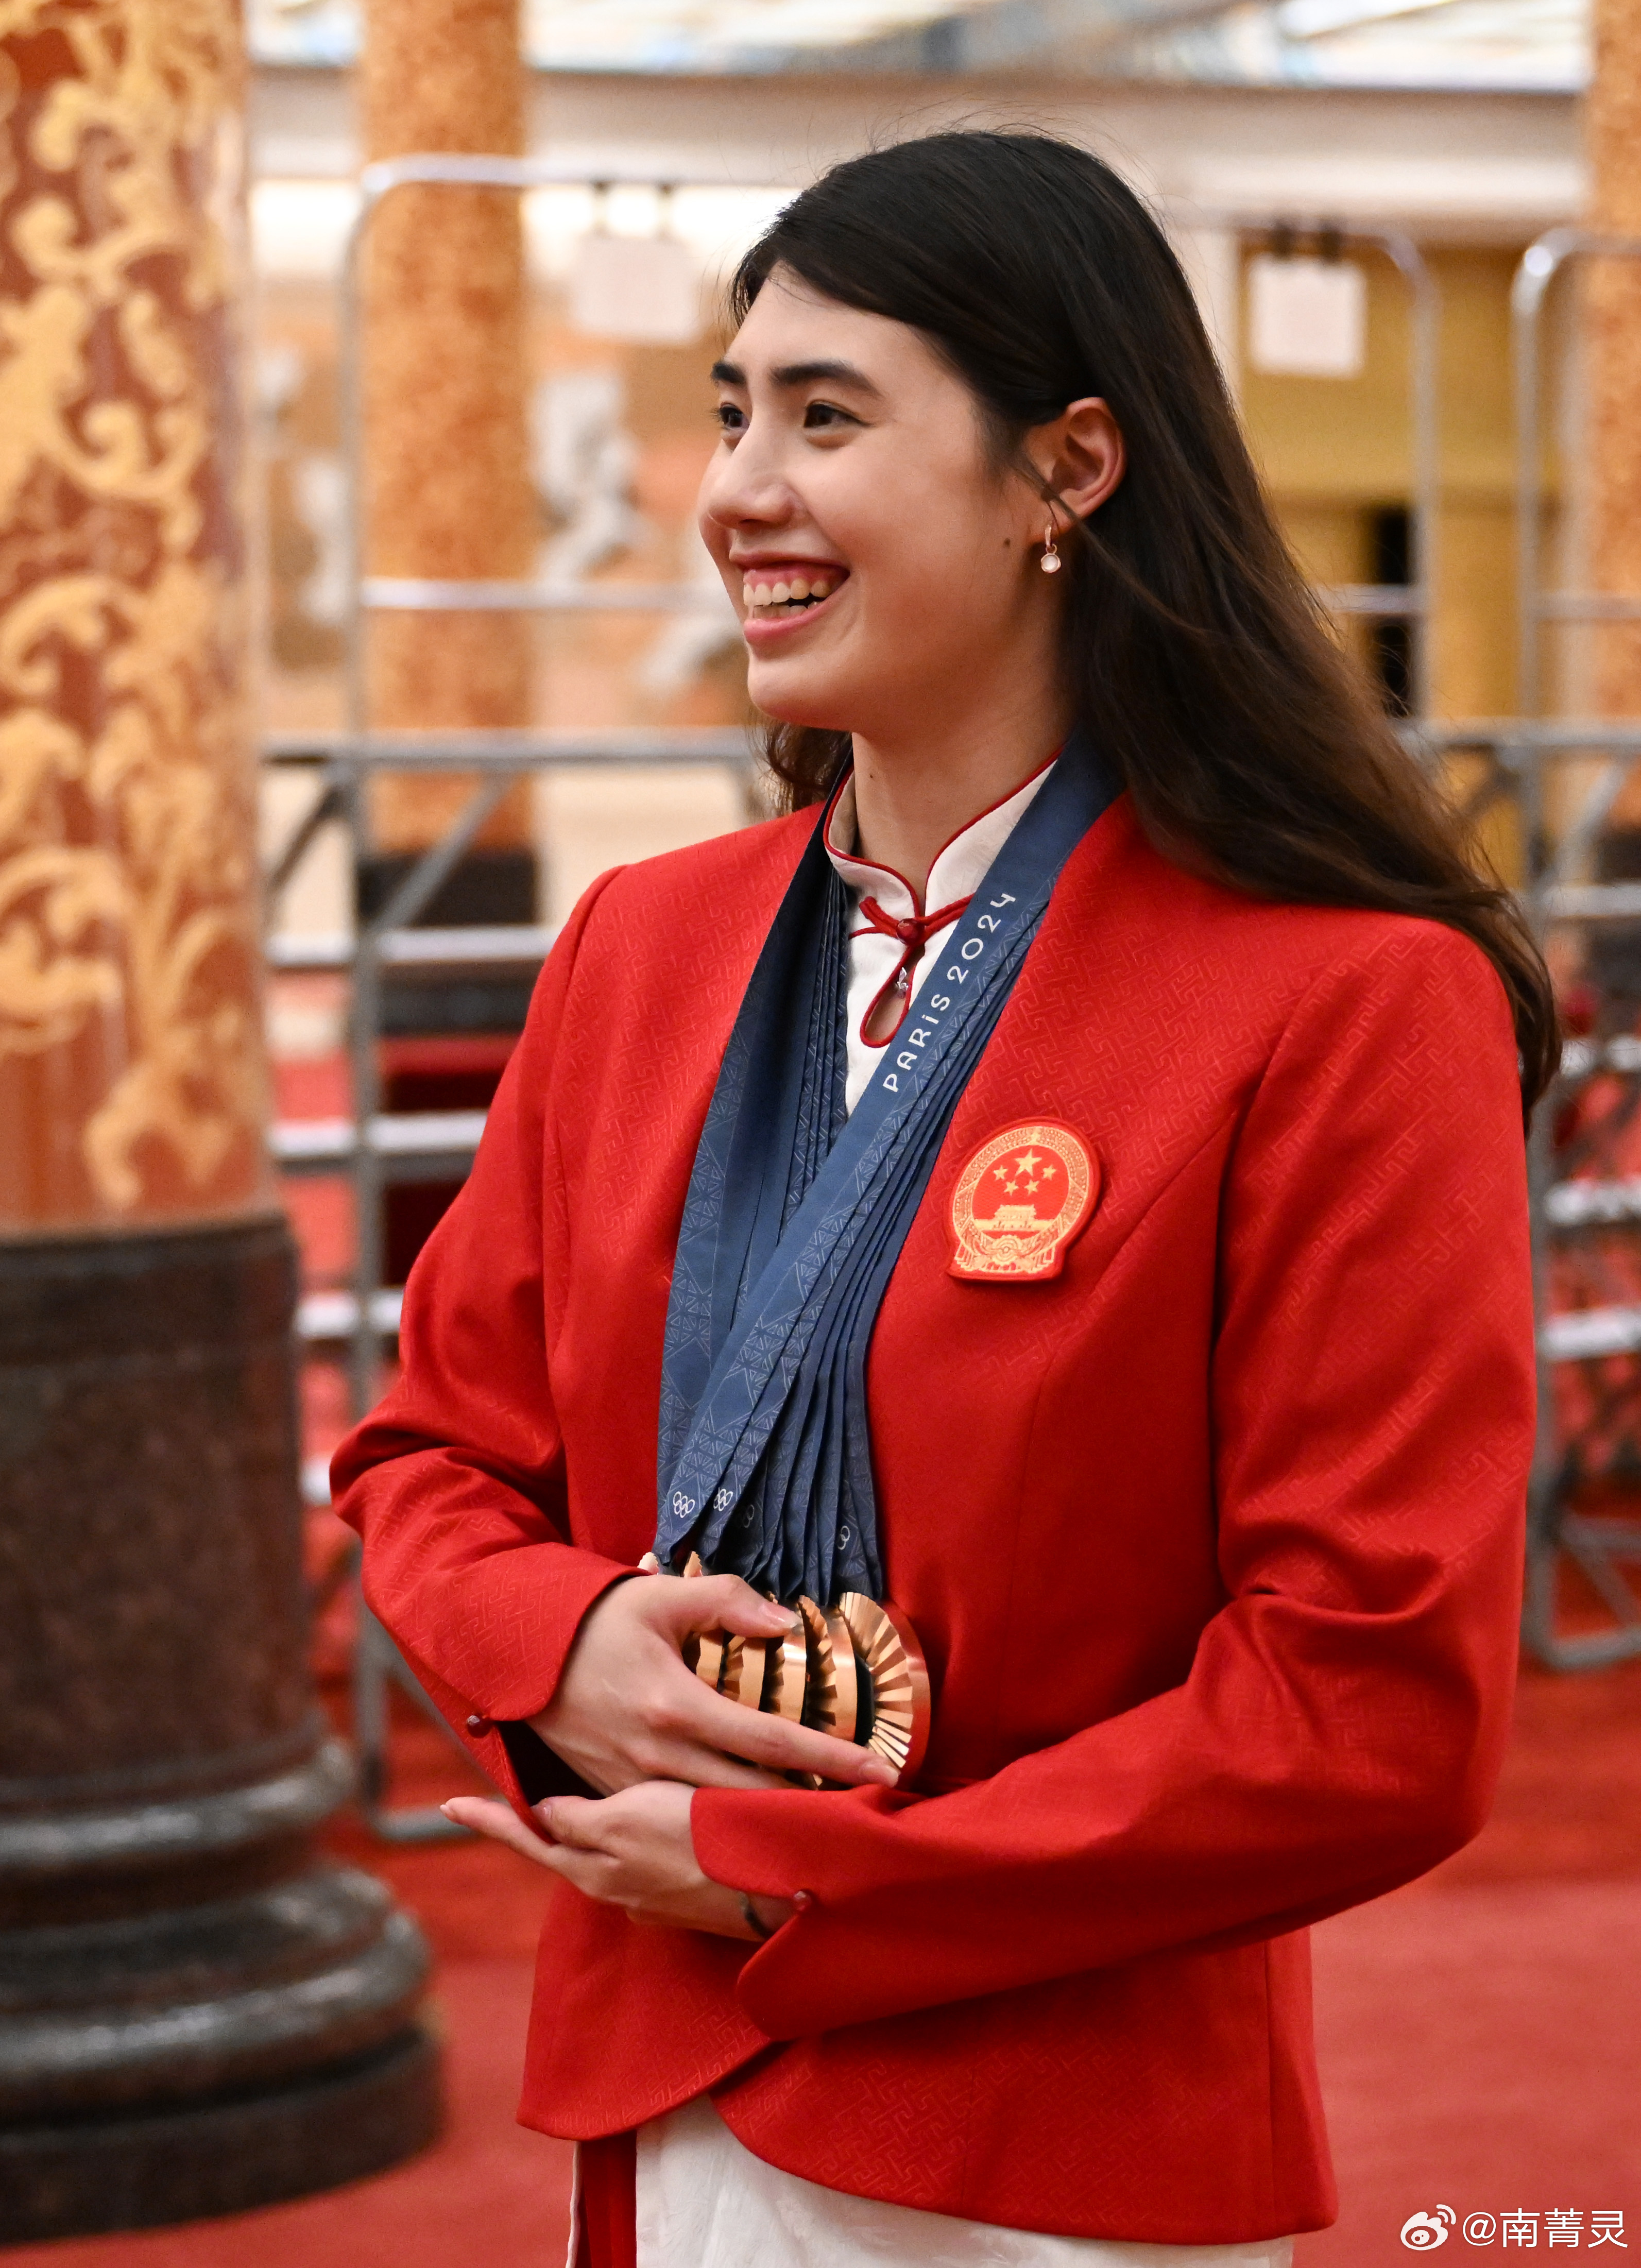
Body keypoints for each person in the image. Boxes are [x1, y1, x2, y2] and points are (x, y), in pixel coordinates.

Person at [334, 129, 1553, 2268]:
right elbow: (427, 1454)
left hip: (1065, 2142)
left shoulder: (1347, 998)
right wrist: (573, 1643)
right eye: (729, 411)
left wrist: (811, 1869)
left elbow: (1365, 1710)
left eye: (824, 414)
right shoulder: (641, 948)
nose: (733, 488)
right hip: (658, 2078)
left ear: (1063, 468)